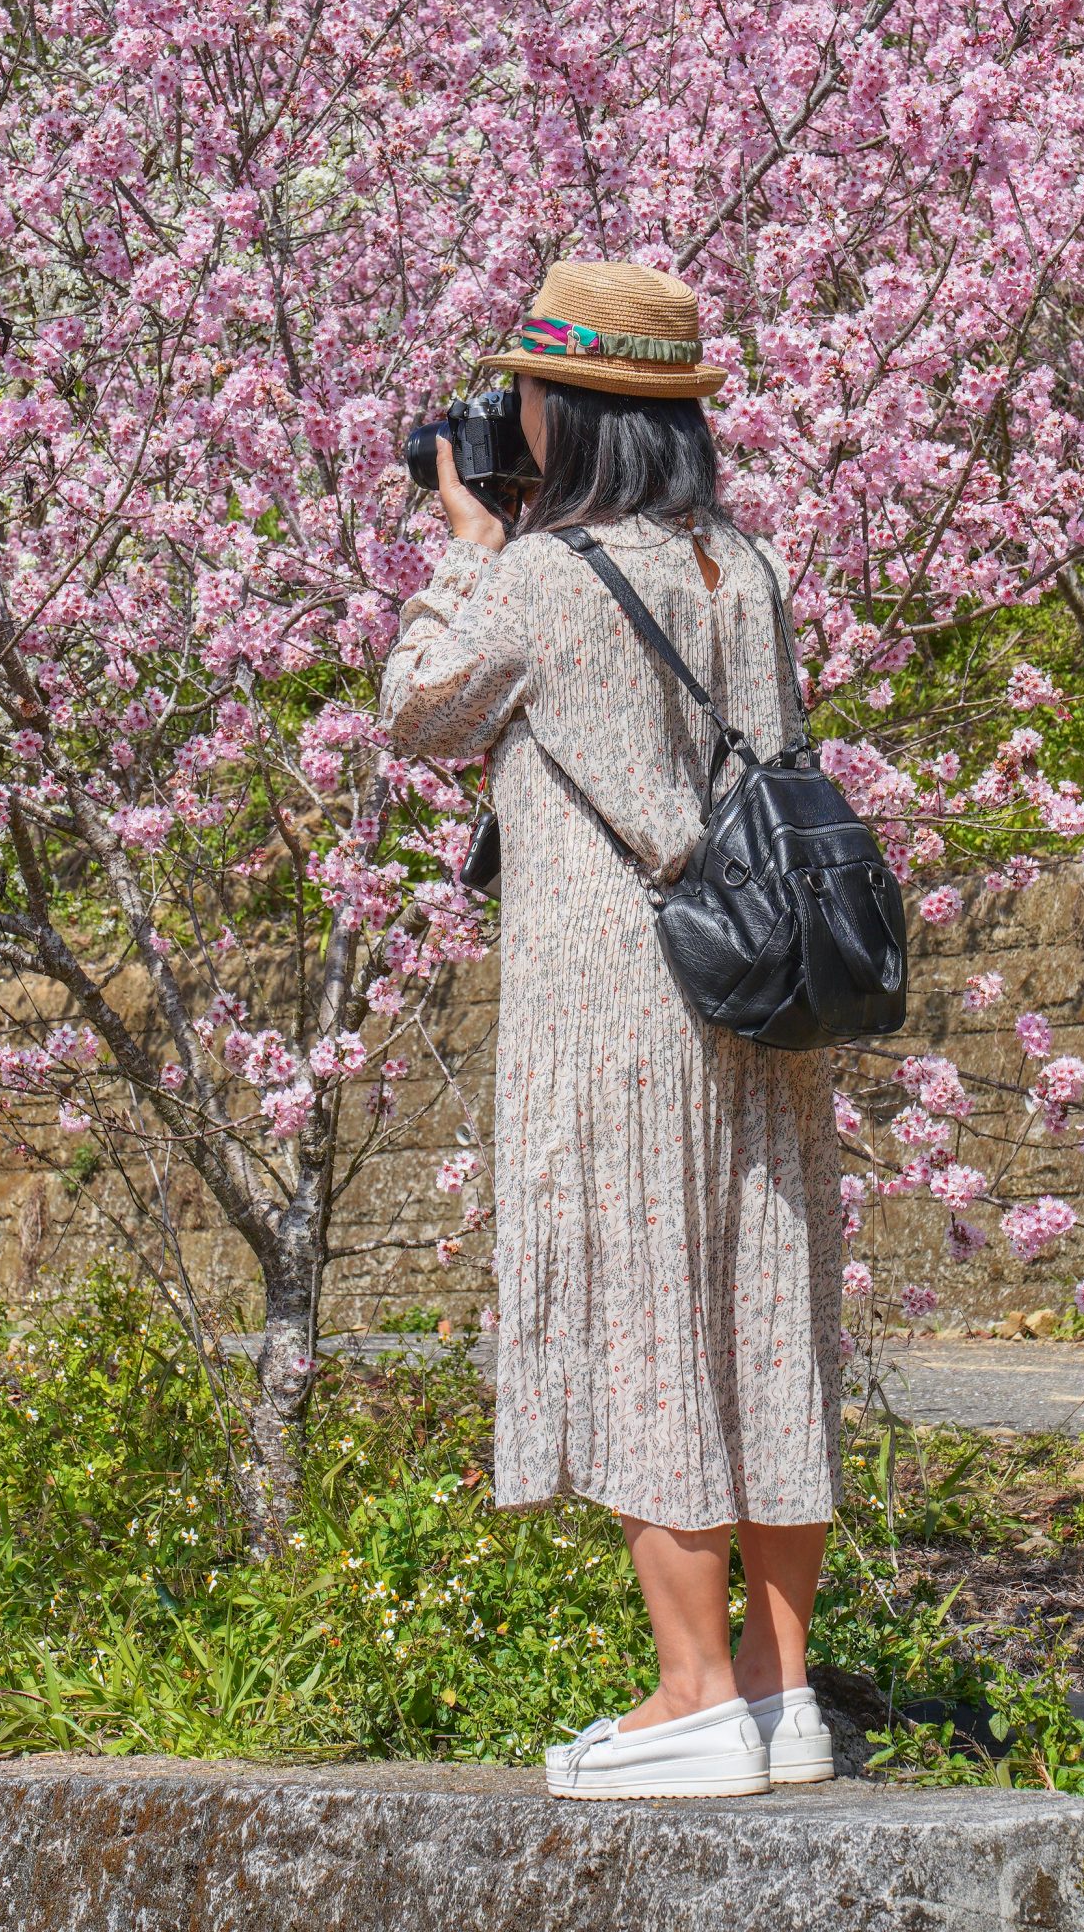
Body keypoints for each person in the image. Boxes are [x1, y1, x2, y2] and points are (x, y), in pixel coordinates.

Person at [381, 259, 842, 1801]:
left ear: (562, 411)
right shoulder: (747, 568)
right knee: (760, 1308)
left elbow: (418, 712)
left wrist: (463, 547)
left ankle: (692, 1695)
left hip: (617, 1001)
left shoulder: (543, 576)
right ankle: (780, 1698)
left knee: (647, 1309)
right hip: (760, 990)